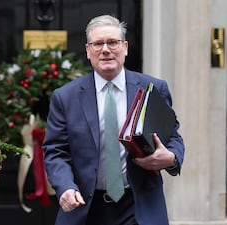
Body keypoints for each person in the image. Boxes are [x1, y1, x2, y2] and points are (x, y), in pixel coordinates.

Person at [42, 14, 185, 225]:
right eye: (98, 43)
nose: (106, 49)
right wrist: (65, 187)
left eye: (113, 42)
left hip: (138, 206)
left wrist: (171, 158)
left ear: (125, 47)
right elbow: (55, 151)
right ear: (88, 50)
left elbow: (172, 136)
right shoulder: (66, 97)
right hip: (84, 207)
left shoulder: (153, 88)